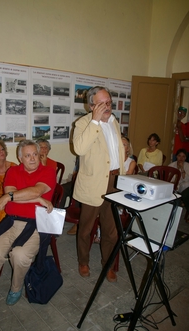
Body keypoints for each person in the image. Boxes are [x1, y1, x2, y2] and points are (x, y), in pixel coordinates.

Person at [0, 139, 56, 309]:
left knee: (19, 255)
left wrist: (11, 197)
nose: (33, 158)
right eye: (27, 155)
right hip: (11, 222)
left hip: (36, 224)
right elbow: (11, 193)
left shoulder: (48, 171)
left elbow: (34, 190)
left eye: (35, 154)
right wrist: (37, 199)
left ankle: (16, 288)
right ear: (20, 159)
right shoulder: (12, 171)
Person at [73, 86, 125, 282]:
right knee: (86, 229)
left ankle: (107, 264)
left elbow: (118, 152)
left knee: (111, 230)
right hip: (93, 183)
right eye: (102, 103)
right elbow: (79, 148)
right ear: (91, 105)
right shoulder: (83, 123)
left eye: (109, 102)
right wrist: (95, 121)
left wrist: (123, 178)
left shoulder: (114, 122)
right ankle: (83, 261)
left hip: (114, 181)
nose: (107, 107)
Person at [169, 148, 189, 221]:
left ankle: (182, 199)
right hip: (174, 184)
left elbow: (186, 179)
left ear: (185, 158)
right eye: (179, 156)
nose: (181, 158)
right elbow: (169, 178)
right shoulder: (172, 165)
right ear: (176, 156)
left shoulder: (187, 165)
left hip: (183, 185)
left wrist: (182, 168)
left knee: (185, 184)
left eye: (183, 156)